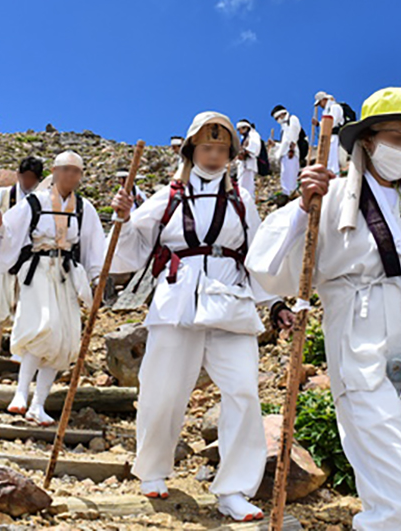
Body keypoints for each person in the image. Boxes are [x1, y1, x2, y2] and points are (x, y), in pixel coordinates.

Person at [247, 87, 401, 530]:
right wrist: (302, 206)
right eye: (398, 138)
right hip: (365, 353)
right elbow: (267, 264)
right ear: (368, 140)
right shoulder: (332, 198)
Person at [109, 112, 278, 523]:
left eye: (222, 149)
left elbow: (259, 256)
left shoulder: (243, 199)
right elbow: (130, 249)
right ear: (191, 151)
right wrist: (122, 218)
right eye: (208, 147)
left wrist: (274, 304)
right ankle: (151, 469)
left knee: (243, 392)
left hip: (231, 303)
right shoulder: (167, 196)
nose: (215, 155)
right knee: (162, 389)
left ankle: (234, 489)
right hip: (176, 302)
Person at [0, 151, 106, 425]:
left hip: (66, 273)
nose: (69, 176)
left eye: (75, 171)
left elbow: (94, 245)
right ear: (54, 171)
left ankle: (38, 404)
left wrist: (97, 277)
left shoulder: (84, 208)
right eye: (64, 170)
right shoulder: (35, 201)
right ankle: (20, 393)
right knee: (42, 326)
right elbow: (11, 229)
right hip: (38, 270)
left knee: (63, 340)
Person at [0, 157, 45, 357]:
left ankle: (17, 347)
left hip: (27, 256)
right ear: (19, 175)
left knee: (22, 301)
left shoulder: (41, 201)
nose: (28, 182)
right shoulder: (2, 195)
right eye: (25, 177)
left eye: (33, 178)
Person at [271, 105, 302, 197]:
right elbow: (284, 142)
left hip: (290, 152)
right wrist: (275, 145)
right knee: (285, 174)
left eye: (277, 118)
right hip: (285, 153)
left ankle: (292, 193)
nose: (277, 120)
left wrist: (291, 148)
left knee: (291, 173)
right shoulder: (283, 127)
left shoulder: (292, 119)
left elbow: (294, 133)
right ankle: (286, 194)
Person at [313, 91, 345, 174]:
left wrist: (321, 124)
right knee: (328, 157)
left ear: (324, 100)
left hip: (334, 136)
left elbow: (332, 122)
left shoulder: (335, 107)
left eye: (320, 103)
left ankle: (334, 175)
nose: (320, 105)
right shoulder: (328, 110)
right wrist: (318, 124)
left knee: (333, 157)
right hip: (328, 136)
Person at [234, 119, 263, 199]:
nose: (239, 132)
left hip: (248, 164)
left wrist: (245, 152)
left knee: (247, 186)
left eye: (240, 129)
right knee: (242, 184)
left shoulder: (253, 135)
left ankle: (248, 202)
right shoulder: (245, 138)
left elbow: (255, 148)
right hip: (243, 165)